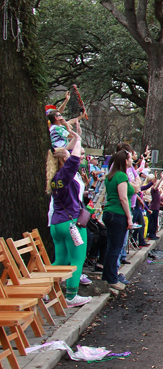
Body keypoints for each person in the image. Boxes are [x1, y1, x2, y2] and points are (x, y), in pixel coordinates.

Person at [46, 123, 92, 307]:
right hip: (71, 223)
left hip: (56, 224)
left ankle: (46, 291)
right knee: (76, 259)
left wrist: (76, 137)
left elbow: (68, 154)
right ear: (64, 161)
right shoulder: (66, 174)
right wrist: (79, 140)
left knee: (61, 260)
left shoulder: (54, 176)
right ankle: (72, 296)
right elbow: (73, 160)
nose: (77, 155)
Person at [101, 149, 135, 293]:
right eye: (130, 158)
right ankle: (112, 279)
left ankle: (108, 276)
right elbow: (123, 198)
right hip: (118, 214)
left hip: (109, 212)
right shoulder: (121, 176)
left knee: (111, 247)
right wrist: (129, 217)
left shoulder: (111, 176)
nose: (132, 160)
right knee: (115, 248)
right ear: (125, 160)